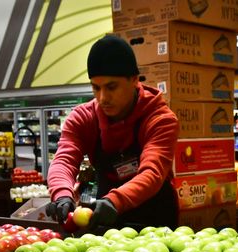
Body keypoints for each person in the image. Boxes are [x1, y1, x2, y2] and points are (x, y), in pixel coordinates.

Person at [46, 35, 180, 229]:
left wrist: (114, 201)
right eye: (96, 87)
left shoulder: (160, 119)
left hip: (155, 221)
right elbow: (63, 160)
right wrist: (62, 194)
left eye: (111, 87)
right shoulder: (83, 118)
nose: (102, 98)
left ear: (134, 80)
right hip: (105, 215)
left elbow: (152, 172)